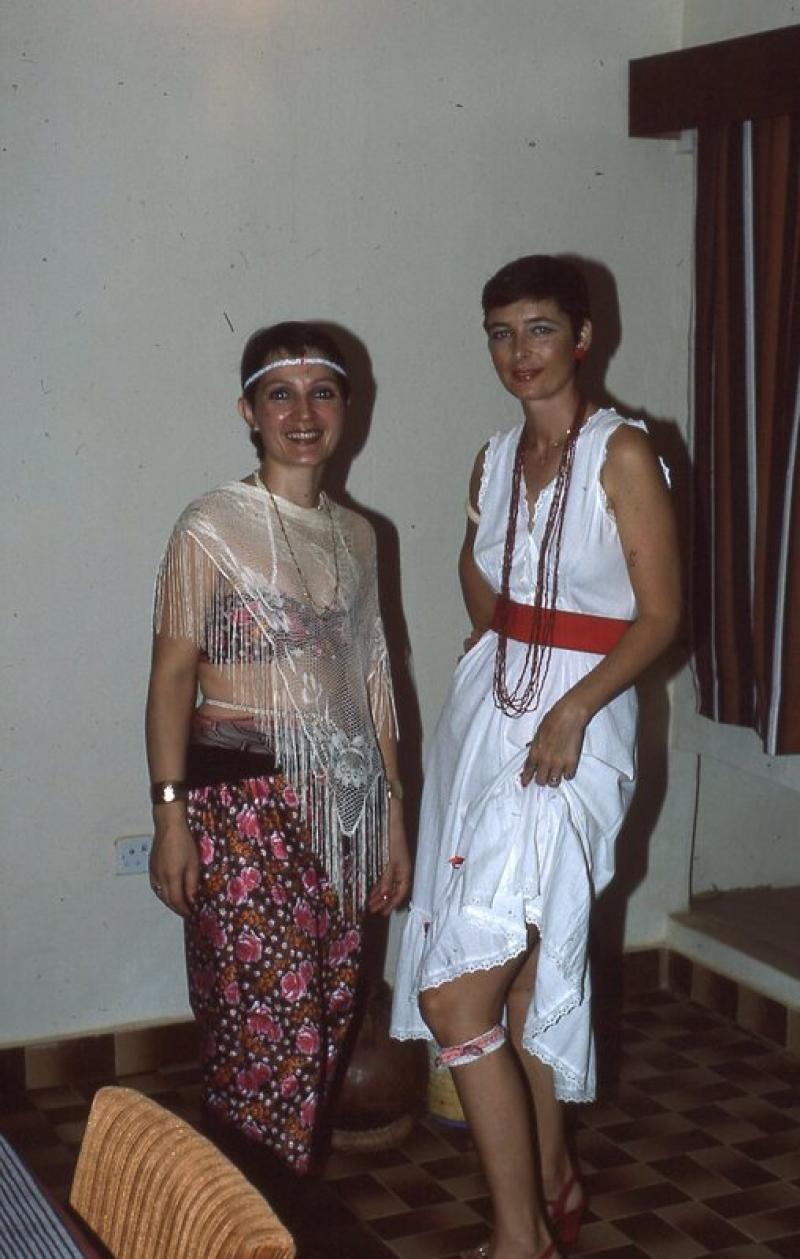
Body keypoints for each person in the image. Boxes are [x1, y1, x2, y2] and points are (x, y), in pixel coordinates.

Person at [390, 256, 680, 1259]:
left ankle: (520, 1238)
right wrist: (501, 649)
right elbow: (484, 583)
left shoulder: (622, 452)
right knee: (517, 981)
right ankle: (553, 1182)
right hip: (490, 716)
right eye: (501, 333)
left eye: (541, 328)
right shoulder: (492, 457)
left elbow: (660, 616)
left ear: (583, 337)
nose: (520, 351)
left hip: (579, 726)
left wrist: (572, 705)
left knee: (456, 996)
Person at [146, 322, 410, 1177]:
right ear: (249, 411)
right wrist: (169, 816)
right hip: (239, 808)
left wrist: (393, 818)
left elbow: (373, 682)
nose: (303, 413)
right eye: (280, 394)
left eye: (322, 392)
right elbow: (170, 679)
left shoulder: (360, 535)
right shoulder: (210, 526)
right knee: (263, 1026)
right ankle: (243, 1207)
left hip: (343, 810)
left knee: (328, 1015)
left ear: (347, 408)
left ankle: (283, 1204)